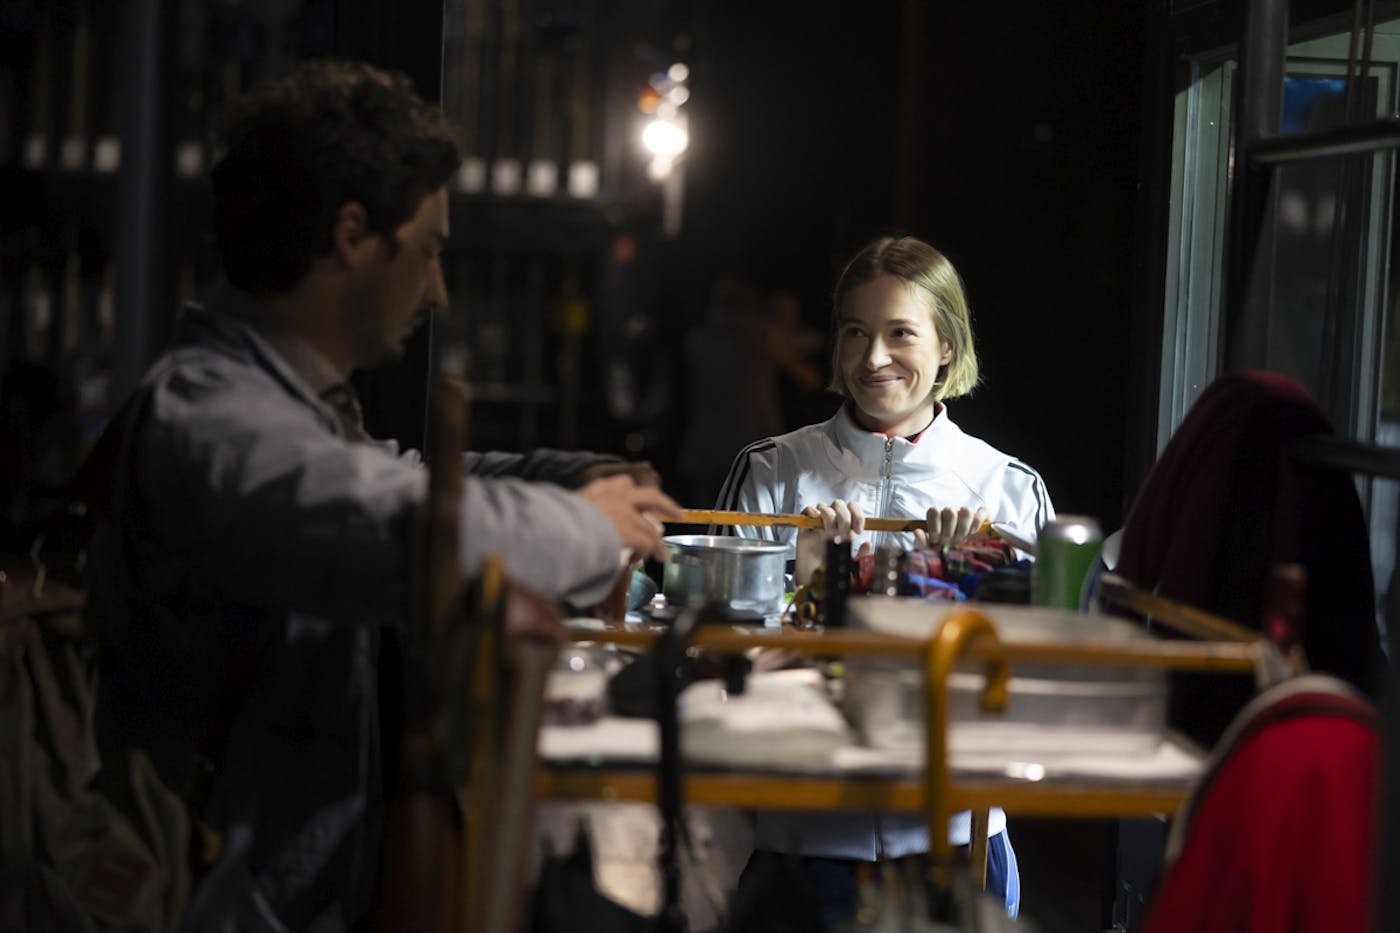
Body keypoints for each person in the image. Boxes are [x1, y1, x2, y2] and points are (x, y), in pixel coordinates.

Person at [87, 60, 682, 933]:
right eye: (429, 249)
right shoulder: (210, 417)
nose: (437, 289)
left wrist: (572, 478)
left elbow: (398, 475)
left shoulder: (279, 405)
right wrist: (589, 528)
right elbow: (399, 527)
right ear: (353, 235)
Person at [717, 235, 1055, 922]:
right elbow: (722, 670)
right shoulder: (773, 471)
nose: (873, 357)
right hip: (802, 842)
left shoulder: (1009, 489)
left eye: (900, 333)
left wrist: (964, 579)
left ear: (947, 346)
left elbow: (1042, 686)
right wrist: (811, 588)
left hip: (958, 844)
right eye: (855, 332)